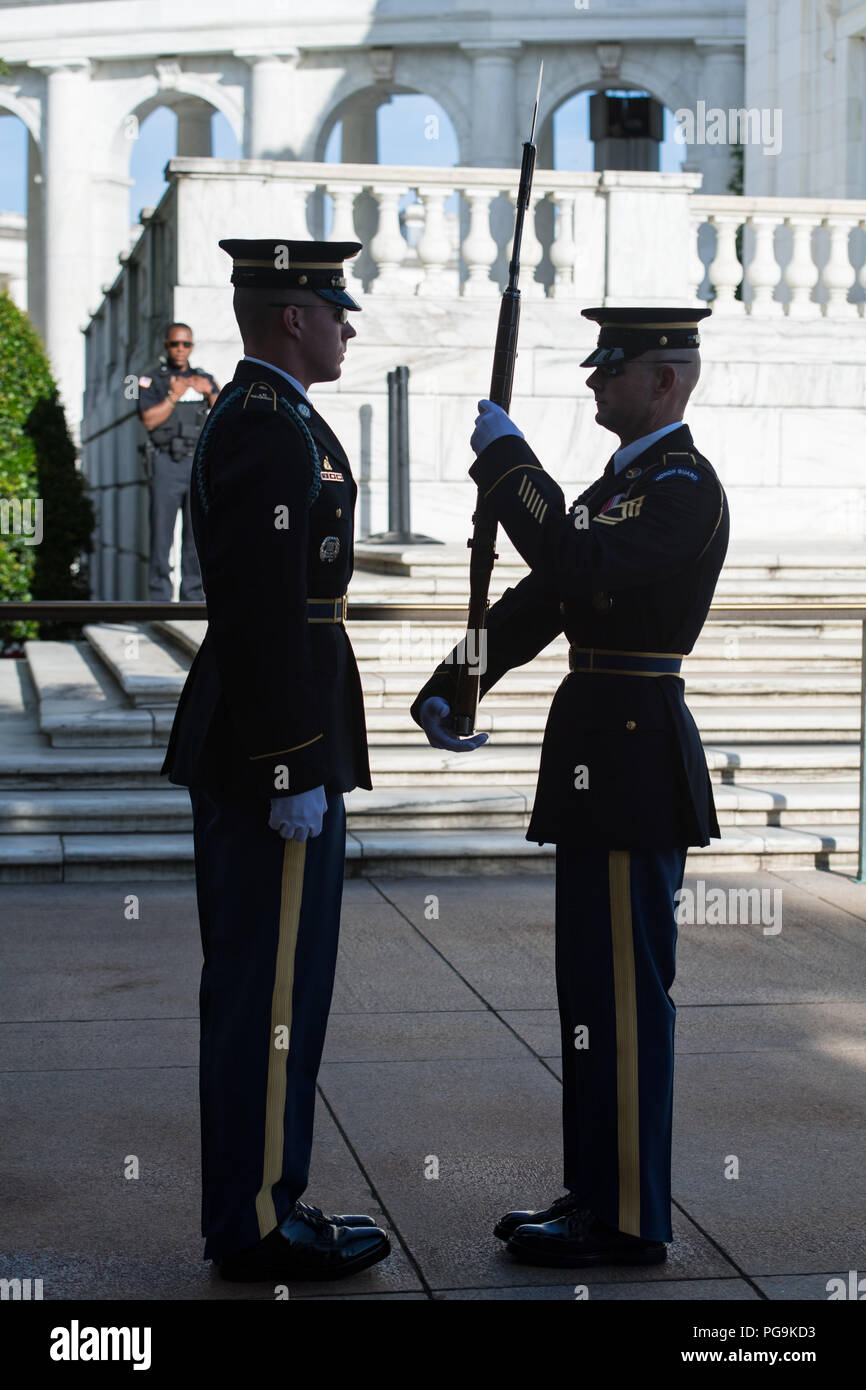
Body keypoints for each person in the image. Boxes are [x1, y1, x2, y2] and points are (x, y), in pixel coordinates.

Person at [411, 306, 729, 1268]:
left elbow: (572, 557)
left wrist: (509, 465)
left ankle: (631, 1215)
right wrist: (457, 677)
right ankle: (595, 1188)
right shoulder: (622, 482)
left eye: (613, 369)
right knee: (588, 993)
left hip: (636, 763)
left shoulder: (682, 489)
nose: (595, 382)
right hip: (597, 760)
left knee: (627, 996)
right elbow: (541, 601)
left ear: (665, 382)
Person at [161, 239, 389, 1283]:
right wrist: (294, 765)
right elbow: (262, 611)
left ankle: (263, 1201)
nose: (347, 323)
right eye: (333, 307)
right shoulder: (266, 428)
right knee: (271, 992)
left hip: (275, 734)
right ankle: (256, 1220)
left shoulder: (273, 417)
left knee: (272, 984)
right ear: (290, 315)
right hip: (271, 747)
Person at [138, 324, 219, 600]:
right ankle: (159, 597)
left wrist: (209, 393)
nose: (180, 350)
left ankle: (193, 596)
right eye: (175, 344)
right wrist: (174, 395)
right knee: (161, 535)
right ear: (166, 346)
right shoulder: (152, 380)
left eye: (186, 344)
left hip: (197, 464)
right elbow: (149, 420)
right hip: (166, 463)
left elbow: (225, 414)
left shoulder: (204, 378)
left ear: (192, 347)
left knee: (196, 536)